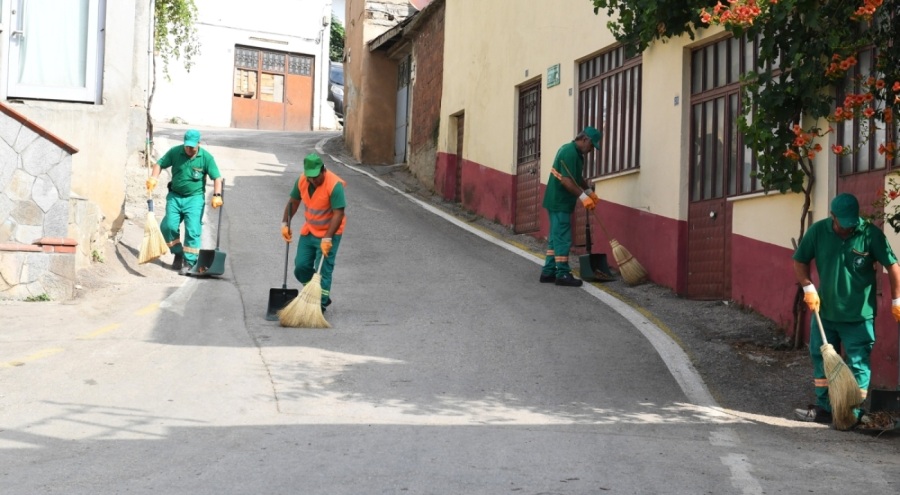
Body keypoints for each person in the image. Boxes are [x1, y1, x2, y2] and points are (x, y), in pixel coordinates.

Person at [792, 193, 900, 425]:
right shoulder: (818, 232)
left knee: (858, 363)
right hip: (825, 312)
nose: (848, 228)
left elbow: (893, 266)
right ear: (833, 216)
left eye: (851, 223)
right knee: (822, 360)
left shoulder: (870, 234)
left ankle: (852, 412)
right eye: (843, 223)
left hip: (859, 316)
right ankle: (825, 409)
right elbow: (800, 260)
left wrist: (896, 300)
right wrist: (808, 287)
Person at [146, 129, 223, 275]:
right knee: (168, 226)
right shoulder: (175, 152)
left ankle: (189, 262)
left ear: (198, 143)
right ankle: (178, 253)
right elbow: (159, 164)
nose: (189, 149)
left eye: (192, 147)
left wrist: (217, 195)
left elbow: (217, 178)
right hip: (175, 196)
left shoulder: (206, 158)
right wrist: (153, 178)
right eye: (187, 146)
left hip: (194, 199)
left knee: (193, 230)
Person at [281, 153, 346, 312]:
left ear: (323, 170)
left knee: (323, 270)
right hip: (309, 230)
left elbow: (339, 213)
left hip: (329, 232)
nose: (314, 180)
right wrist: (285, 224)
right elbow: (293, 202)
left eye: (316, 177)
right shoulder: (302, 180)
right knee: (301, 267)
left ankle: (320, 304)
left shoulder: (334, 184)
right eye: (310, 177)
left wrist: (328, 238)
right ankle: (312, 292)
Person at [540, 126, 602, 287]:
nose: (591, 150)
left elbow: (576, 177)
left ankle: (548, 271)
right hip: (559, 202)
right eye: (591, 145)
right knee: (562, 238)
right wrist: (583, 197)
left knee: (555, 238)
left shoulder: (573, 152)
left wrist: (589, 191)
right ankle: (562, 273)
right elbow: (567, 181)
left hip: (557, 201)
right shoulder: (570, 153)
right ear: (585, 139)